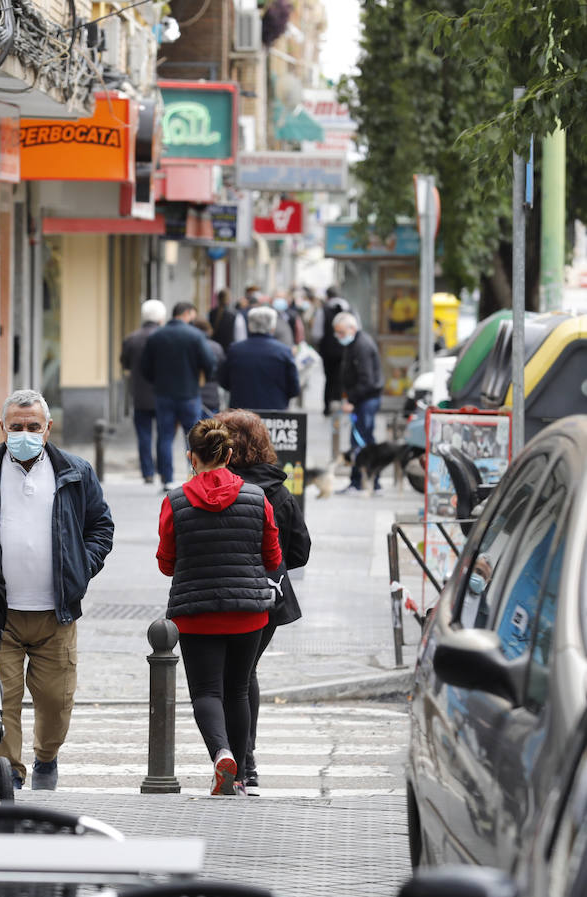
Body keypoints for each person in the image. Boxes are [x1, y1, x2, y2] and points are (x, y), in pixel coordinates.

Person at [0, 390, 114, 792]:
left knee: (56, 702)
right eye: (17, 427)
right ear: (3, 427)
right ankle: (9, 775)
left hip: (55, 611)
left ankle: (47, 756)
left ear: (48, 428)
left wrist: (80, 568)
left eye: (33, 427)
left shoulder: (74, 472)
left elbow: (100, 527)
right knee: (1, 702)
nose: (25, 434)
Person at [156, 419, 282, 796]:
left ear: (192, 457)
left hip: (196, 613)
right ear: (228, 455)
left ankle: (221, 753)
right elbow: (273, 556)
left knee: (206, 692)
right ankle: (240, 775)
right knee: (238, 690)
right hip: (248, 611)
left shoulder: (174, 501)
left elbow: (166, 562)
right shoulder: (258, 498)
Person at [216, 410, 312, 791]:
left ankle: (232, 758)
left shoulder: (215, 486)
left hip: (218, 592)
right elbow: (301, 551)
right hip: (267, 596)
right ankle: (246, 760)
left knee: (224, 679)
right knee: (244, 674)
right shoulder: (279, 492)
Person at [141, 302, 216, 490]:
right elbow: (209, 362)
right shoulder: (195, 335)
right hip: (189, 393)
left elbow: (145, 367)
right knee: (192, 436)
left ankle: (167, 479)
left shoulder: (156, 336)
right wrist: (201, 377)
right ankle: (193, 476)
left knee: (165, 435)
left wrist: (157, 382)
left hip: (163, 393)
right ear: (188, 313)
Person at [334, 311, 385, 493]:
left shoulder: (362, 346)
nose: (339, 337)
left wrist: (352, 400)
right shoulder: (354, 344)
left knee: (362, 442)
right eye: (337, 332)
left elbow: (367, 380)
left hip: (365, 400)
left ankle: (365, 482)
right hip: (361, 400)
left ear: (352, 328)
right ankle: (364, 481)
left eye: (341, 332)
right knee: (361, 441)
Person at [119, 299, 166, 485]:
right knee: (164, 435)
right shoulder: (164, 337)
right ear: (161, 317)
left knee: (144, 435)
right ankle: (163, 470)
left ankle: (147, 472)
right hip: (163, 394)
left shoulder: (132, 338)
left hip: (140, 394)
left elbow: (126, 364)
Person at [220, 307, 301, 411]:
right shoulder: (284, 351)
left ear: (249, 326)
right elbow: (294, 388)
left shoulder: (234, 350)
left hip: (241, 413)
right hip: (275, 414)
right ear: (273, 327)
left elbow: (224, 381)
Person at [313, 286, 352, 414]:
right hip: (345, 351)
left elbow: (317, 334)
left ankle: (327, 406)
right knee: (343, 377)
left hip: (328, 352)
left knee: (329, 378)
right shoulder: (350, 309)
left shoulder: (323, 310)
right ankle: (340, 403)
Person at [192, 319, 227, 415]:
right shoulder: (216, 347)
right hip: (211, 396)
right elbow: (222, 371)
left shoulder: (188, 345)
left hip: (191, 396)